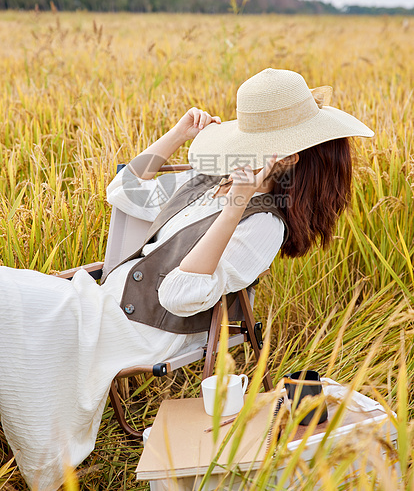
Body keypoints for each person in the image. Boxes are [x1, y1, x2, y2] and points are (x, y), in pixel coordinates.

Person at [0, 68, 374, 490]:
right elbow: (124, 189)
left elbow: (178, 296)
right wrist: (178, 134)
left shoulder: (263, 224)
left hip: (138, 327)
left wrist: (235, 205)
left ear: (287, 157)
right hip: (100, 301)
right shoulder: (210, 179)